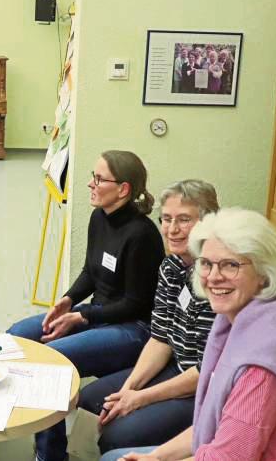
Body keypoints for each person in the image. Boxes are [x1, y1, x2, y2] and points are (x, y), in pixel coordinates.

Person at [102, 208, 276, 461]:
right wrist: (157, 457)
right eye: (206, 264)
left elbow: (228, 456)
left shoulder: (263, 362)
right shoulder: (243, 319)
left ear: (264, 272)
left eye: (230, 265)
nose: (213, 277)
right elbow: (210, 429)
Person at [8, 150, 165, 461]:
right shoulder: (99, 217)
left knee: (51, 360)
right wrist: (67, 301)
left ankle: (50, 454)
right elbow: (91, 273)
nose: (91, 184)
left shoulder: (142, 235)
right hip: (98, 315)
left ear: (123, 189)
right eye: (92, 177)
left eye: (99, 178)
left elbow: (136, 304)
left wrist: (81, 316)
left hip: (133, 329)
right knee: (17, 336)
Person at [74, 180, 218, 455]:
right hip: (174, 366)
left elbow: (205, 372)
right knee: (92, 400)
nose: (172, 229)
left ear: (207, 222)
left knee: (115, 435)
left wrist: (138, 399)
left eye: (184, 220)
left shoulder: (216, 279)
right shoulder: (172, 266)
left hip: (201, 388)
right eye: (166, 219)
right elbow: (161, 338)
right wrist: (126, 391)